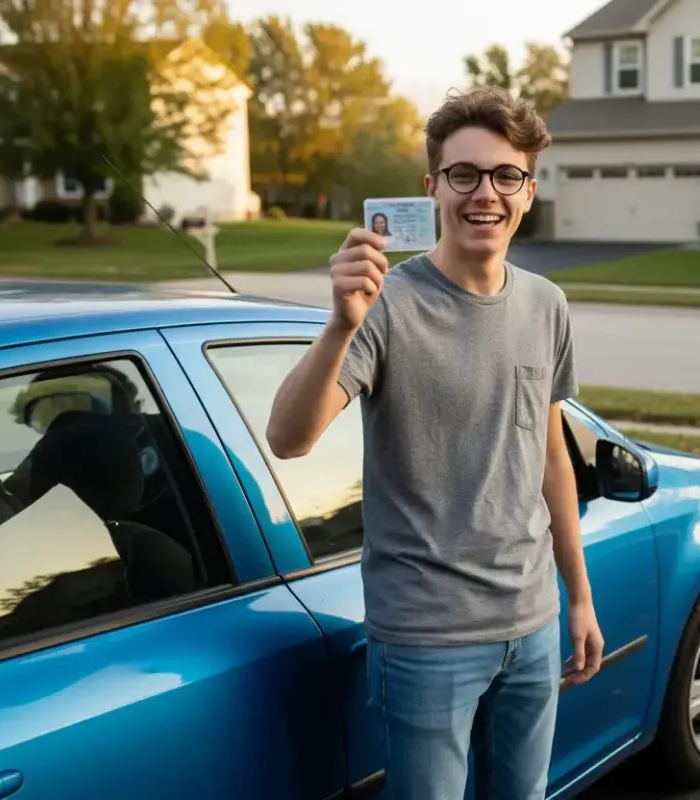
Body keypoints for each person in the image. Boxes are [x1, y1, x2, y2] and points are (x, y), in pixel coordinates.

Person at [265, 85, 604, 800]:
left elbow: (549, 456)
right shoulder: (384, 303)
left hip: (534, 621)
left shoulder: (548, 304)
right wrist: (339, 324)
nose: (486, 194)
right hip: (426, 638)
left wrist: (579, 596)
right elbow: (289, 439)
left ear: (529, 189)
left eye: (505, 175)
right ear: (433, 187)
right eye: (464, 175)